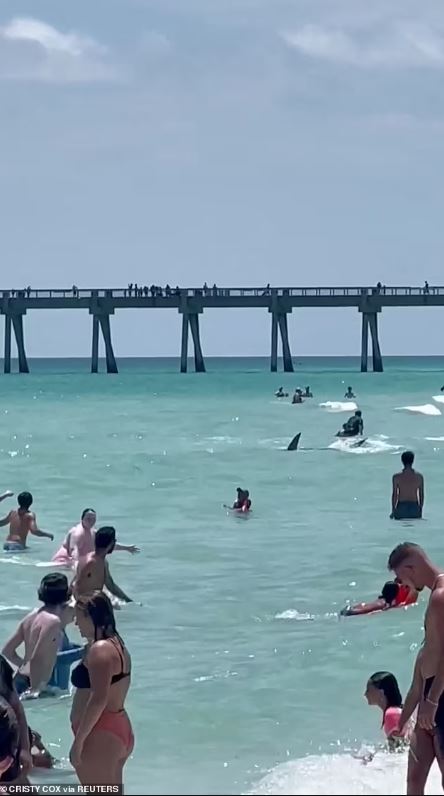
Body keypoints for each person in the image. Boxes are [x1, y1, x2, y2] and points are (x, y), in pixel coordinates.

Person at [387, 543, 444, 795]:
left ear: (412, 567)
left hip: (440, 698)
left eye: (402, 577)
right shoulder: (434, 596)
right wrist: (405, 717)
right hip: (428, 697)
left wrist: (432, 701)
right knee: (413, 781)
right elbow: (426, 657)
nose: (402, 585)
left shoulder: (441, 597)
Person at [70, 591, 134, 786]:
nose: (76, 624)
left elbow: (99, 699)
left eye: (78, 618)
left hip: (100, 732)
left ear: (91, 616)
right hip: (116, 727)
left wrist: (78, 742)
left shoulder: (100, 650)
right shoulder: (117, 645)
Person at [2, 573, 76, 697]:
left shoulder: (32, 616)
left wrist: (25, 667)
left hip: (20, 680)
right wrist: (35, 688)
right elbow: (37, 657)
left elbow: (7, 651)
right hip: (33, 685)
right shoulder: (53, 622)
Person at [52, 508, 139, 567]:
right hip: (64, 562)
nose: (91, 521)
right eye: (88, 519)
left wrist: (126, 548)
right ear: (82, 519)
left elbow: (105, 545)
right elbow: (75, 551)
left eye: (93, 519)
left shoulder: (92, 532)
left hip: (79, 562)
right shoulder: (78, 533)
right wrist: (77, 567)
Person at [73, 527, 133, 603]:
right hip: (86, 604)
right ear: (112, 543)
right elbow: (77, 585)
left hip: (90, 601)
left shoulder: (100, 561)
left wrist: (129, 601)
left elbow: (110, 585)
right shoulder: (92, 563)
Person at [365, 671, 412, 752]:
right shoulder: (397, 710)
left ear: (381, 692)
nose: (365, 694)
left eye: (368, 690)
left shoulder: (391, 714)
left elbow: (398, 748)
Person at [341, 580, 417, 616]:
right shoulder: (383, 604)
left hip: (351, 609)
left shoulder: (381, 600)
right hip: (351, 613)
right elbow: (365, 610)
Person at [391, 451, 424, 520]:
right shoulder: (419, 477)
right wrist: (420, 508)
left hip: (401, 506)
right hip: (414, 506)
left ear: (402, 461)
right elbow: (421, 494)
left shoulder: (396, 477)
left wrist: (393, 510)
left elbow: (395, 494)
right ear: (413, 461)